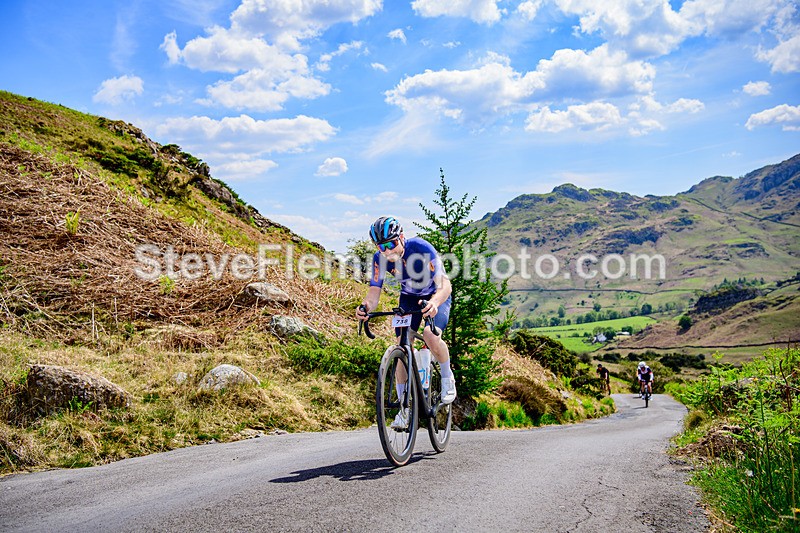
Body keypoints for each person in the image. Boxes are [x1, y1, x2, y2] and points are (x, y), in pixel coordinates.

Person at [355, 216, 455, 430]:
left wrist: (435, 303)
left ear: (401, 237)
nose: (387, 251)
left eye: (391, 244)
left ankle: (447, 377)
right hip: (409, 298)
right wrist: (364, 307)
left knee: (430, 335)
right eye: (381, 247)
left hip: (435, 295)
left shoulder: (420, 248)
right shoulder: (379, 259)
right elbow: (373, 295)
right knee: (402, 346)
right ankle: (405, 410)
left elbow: (445, 285)